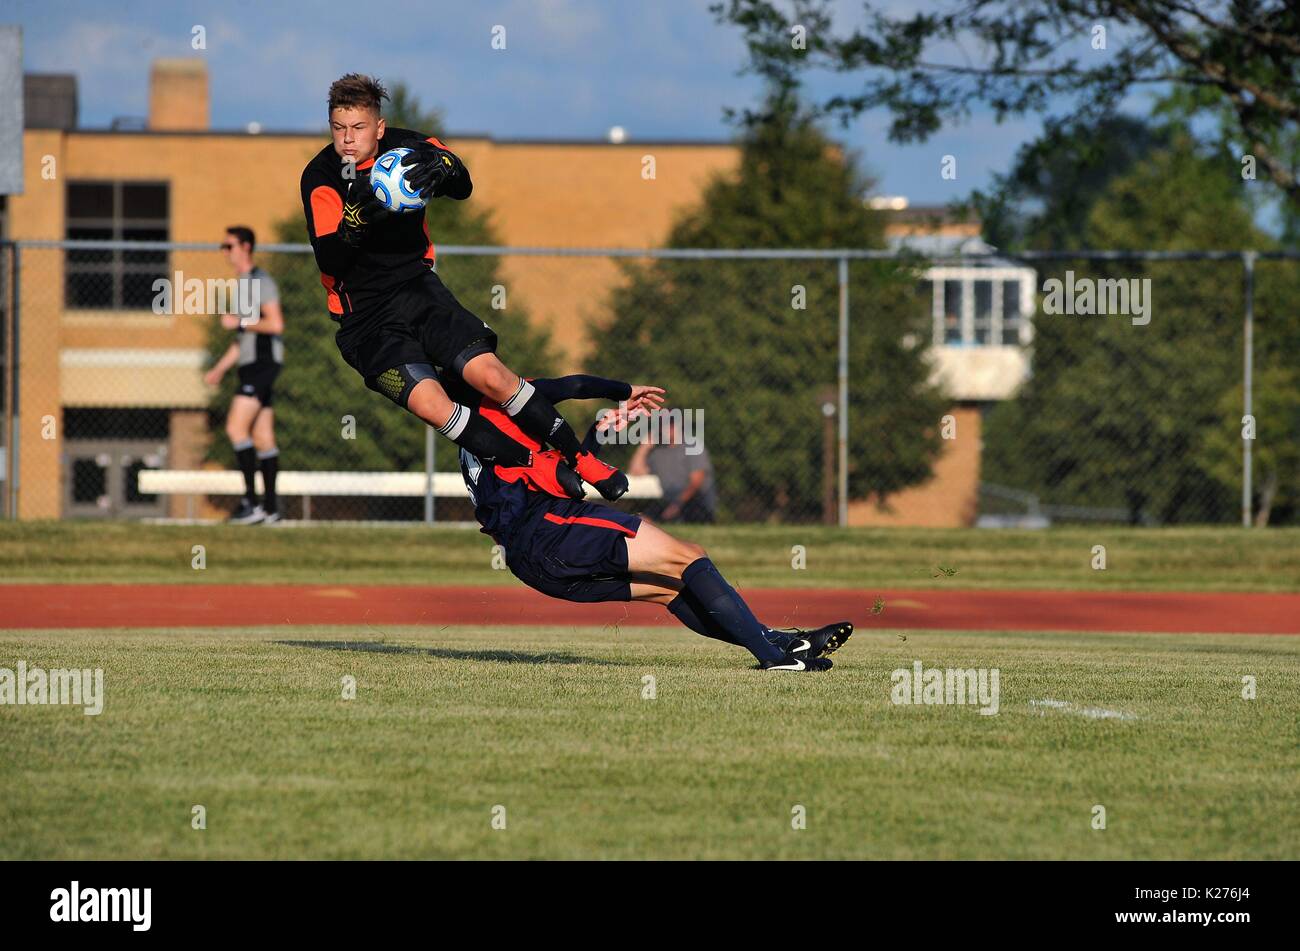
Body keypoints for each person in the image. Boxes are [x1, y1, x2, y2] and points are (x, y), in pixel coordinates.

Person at [299, 72, 623, 503]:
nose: (348, 139)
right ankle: (535, 464)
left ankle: (581, 458)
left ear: (379, 127)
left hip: (418, 289)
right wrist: (354, 224)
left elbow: (463, 187)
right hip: (365, 320)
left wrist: (447, 168)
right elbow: (331, 261)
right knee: (435, 406)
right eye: (339, 128)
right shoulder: (321, 177)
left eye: (358, 128)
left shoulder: (410, 145)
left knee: (492, 375)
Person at [449, 371, 853, 671]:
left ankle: (787, 644)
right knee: (689, 557)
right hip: (552, 530)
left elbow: (562, 482)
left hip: (534, 559)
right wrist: (624, 391)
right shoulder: (497, 406)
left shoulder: (478, 437)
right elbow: (568, 389)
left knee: (670, 590)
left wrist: (600, 432)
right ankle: (774, 658)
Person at [203, 226, 284, 525]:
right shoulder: (243, 283)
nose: (225, 251)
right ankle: (271, 510)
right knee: (263, 437)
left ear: (246, 247)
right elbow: (242, 340)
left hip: (264, 364)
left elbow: (275, 325)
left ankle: (250, 503)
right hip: (252, 364)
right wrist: (219, 370)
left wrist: (239, 321)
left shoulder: (260, 281)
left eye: (229, 245)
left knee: (236, 429)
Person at [628, 411, 717, 523]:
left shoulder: (692, 445)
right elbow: (635, 472)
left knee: (692, 510)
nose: (666, 427)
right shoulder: (658, 452)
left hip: (693, 501)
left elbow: (696, 482)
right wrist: (644, 447)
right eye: (662, 423)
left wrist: (677, 504)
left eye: (671, 423)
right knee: (640, 519)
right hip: (667, 502)